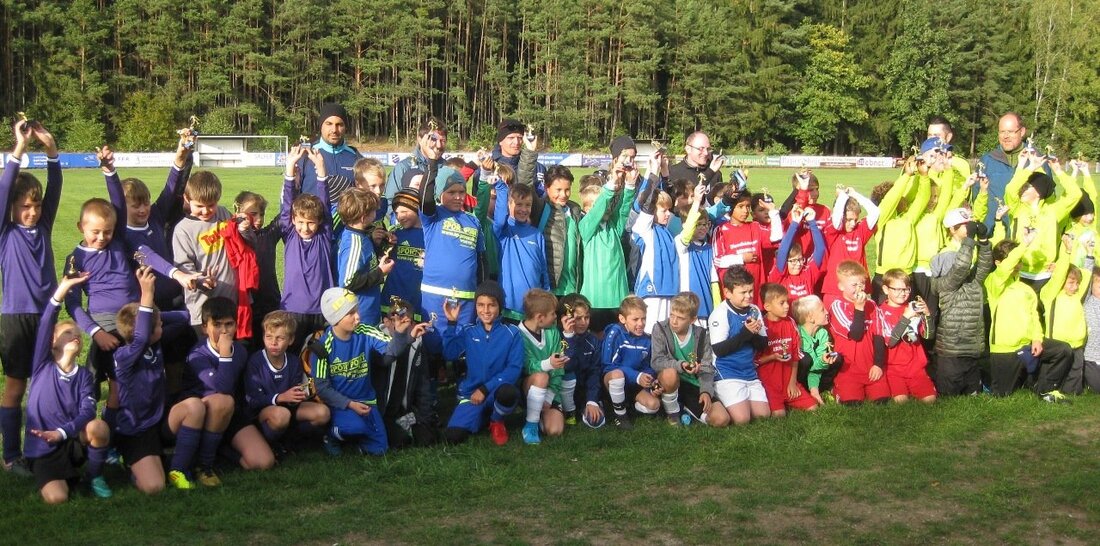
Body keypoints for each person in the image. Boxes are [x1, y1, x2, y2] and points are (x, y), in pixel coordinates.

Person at [0, 119, 60, 476]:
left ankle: (43, 446)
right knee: (16, 385)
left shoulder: (45, 224)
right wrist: (20, 148)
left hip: (47, 314)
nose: (32, 211)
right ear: (11, 208)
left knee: (45, 385)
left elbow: (55, 187)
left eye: (35, 205)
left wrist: (51, 150)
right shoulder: (5, 233)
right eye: (24, 206)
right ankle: (10, 454)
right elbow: (5, 186)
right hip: (16, 318)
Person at [24, 273, 111, 503]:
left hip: (69, 439)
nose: (75, 336)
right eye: (67, 332)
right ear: (52, 342)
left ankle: (93, 477)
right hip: (43, 448)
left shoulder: (83, 376)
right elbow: (46, 322)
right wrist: (62, 291)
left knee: (99, 428)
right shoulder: (42, 365)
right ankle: (61, 478)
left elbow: (88, 412)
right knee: (57, 498)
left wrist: (62, 432)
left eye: (78, 334)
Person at [312, 288, 419, 456]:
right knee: (355, 427)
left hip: (368, 402)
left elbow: (391, 352)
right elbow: (322, 388)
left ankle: (354, 441)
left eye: (357, 310)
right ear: (336, 318)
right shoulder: (322, 347)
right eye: (351, 313)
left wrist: (399, 333)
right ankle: (330, 435)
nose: (358, 317)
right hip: (341, 405)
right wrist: (350, 404)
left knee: (379, 450)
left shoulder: (365, 331)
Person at [184, 297, 274, 482]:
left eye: (229, 324)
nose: (224, 331)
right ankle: (204, 465)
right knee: (222, 401)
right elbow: (222, 388)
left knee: (264, 462)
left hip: (231, 414)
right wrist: (225, 354)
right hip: (202, 416)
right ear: (204, 328)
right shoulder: (197, 354)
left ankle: (222, 451)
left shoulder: (240, 351)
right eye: (217, 325)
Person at [985, 236, 1072, 401]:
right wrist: (1024, 244)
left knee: (1063, 350)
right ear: (997, 263)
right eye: (1013, 259)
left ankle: (1046, 390)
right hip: (1005, 350)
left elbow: (1034, 317)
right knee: (1002, 396)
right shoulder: (993, 282)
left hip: (1027, 346)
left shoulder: (1026, 289)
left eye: (1019, 260)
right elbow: (1006, 269)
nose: (1017, 264)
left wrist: (1037, 339)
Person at [441, 281, 523, 445]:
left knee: (508, 393)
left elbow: (514, 369)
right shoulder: (468, 331)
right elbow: (449, 354)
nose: (485, 310)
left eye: (491, 305)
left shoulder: (512, 333)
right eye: (481, 305)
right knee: (453, 437)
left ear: (500, 306)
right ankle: (483, 416)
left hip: (495, 391)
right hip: (471, 394)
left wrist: (485, 389)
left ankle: (496, 420)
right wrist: (451, 323)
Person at [243, 311, 330, 458]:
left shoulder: (294, 361)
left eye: (280, 338)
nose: (273, 342)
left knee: (323, 413)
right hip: (263, 411)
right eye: (268, 337)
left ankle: (291, 440)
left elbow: (295, 391)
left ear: (290, 340)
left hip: (288, 407)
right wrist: (279, 397)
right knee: (281, 415)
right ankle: (270, 443)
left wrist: (306, 391)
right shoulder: (255, 362)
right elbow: (253, 400)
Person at [929, 213, 993, 396]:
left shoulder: (972, 282)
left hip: (970, 347)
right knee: (949, 393)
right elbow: (961, 267)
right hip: (952, 349)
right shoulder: (943, 282)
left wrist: (984, 240)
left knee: (971, 392)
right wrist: (970, 240)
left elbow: (983, 266)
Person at [281, 146, 337, 353]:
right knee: (294, 356)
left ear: (320, 222)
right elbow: (287, 203)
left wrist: (320, 168)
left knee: (319, 358)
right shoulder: (290, 234)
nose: (305, 228)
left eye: (311, 223)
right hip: (292, 309)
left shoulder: (323, 236)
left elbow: (325, 203)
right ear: (293, 220)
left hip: (322, 310)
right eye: (301, 222)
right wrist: (289, 168)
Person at [1003, 153, 1080, 291]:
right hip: (1020, 271)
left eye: (1027, 187)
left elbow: (1075, 194)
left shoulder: (1053, 211)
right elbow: (1010, 189)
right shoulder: (1017, 208)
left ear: (1039, 191)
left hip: (1045, 274)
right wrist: (1030, 167)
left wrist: (1058, 170)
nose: (1022, 190)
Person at [651, 292, 728, 426]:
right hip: (669, 382)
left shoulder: (702, 334)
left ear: (692, 320)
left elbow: (706, 366)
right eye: (672, 315)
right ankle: (673, 415)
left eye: (680, 318)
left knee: (722, 419)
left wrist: (706, 391)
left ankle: (686, 409)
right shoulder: (660, 328)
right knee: (670, 374)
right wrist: (681, 365)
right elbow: (657, 361)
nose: (674, 321)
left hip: (694, 384)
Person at [578, 159, 637, 332]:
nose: (606, 207)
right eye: (600, 205)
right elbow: (599, 208)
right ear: (589, 209)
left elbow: (624, 209)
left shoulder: (613, 227)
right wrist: (611, 184)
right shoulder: (586, 227)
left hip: (618, 299)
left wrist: (630, 184)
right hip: (595, 300)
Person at [708, 266, 770, 425]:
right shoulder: (720, 313)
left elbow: (763, 345)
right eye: (743, 292)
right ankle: (716, 398)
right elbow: (719, 350)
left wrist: (752, 334)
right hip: (727, 372)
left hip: (749, 372)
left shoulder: (754, 310)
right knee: (742, 419)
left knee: (763, 415)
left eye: (750, 291)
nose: (749, 296)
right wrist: (745, 334)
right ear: (727, 292)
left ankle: (739, 400)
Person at [828, 260, 890, 404]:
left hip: (870, 366)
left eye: (862, 284)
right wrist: (859, 308)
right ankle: (836, 388)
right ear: (841, 286)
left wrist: (878, 364)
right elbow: (856, 335)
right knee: (852, 403)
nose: (859, 288)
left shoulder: (872, 305)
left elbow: (879, 336)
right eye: (854, 285)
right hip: (849, 369)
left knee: (882, 400)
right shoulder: (838, 306)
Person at [1039, 236, 1094, 395]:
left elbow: (1087, 275)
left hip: (1076, 346)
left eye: (1077, 283)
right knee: (1053, 378)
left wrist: (1089, 254)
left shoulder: (1077, 296)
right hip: (1058, 347)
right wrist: (1067, 251)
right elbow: (1059, 276)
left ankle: (1070, 393)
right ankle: (1046, 391)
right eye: (1070, 282)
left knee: (1073, 389)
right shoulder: (1050, 295)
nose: (1075, 287)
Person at [493, 171, 549, 322]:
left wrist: (547, 294)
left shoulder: (536, 234)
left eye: (528, 205)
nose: (523, 209)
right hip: (509, 308)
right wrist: (501, 188)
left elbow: (543, 268)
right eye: (518, 204)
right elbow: (498, 220)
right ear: (509, 205)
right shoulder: (504, 230)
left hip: (533, 309)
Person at [518, 289, 571, 444]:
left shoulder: (552, 332)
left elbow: (559, 366)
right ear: (540, 318)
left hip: (550, 390)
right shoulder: (518, 334)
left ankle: (539, 414)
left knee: (555, 430)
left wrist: (549, 396)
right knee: (542, 376)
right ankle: (531, 425)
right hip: (529, 387)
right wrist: (548, 364)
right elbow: (526, 366)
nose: (556, 317)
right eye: (553, 314)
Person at [755, 283, 817, 415]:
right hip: (770, 383)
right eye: (782, 303)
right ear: (767, 306)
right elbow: (754, 361)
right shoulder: (761, 326)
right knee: (779, 415)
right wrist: (772, 357)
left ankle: (789, 399)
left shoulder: (790, 322)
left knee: (813, 408)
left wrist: (793, 382)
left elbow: (795, 354)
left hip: (788, 380)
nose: (787, 306)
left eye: (787, 302)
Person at [878, 270, 936, 404]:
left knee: (930, 400)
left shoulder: (912, 308)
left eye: (906, 289)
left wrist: (927, 315)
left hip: (915, 367)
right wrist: (905, 317)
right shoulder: (881, 312)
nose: (902, 293)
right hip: (893, 368)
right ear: (886, 290)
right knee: (901, 401)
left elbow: (928, 335)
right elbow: (890, 342)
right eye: (897, 289)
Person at [335, 187, 391, 327]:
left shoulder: (362, 235)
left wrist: (377, 245)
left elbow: (365, 263)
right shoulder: (354, 243)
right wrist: (380, 272)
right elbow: (348, 282)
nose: (376, 213)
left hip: (369, 312)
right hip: (360, 316)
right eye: (373, 211)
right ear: (363, 217)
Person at [601, 296, 656, 430]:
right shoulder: (615, 332)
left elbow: (646, 366)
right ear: (622, 319)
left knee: (654, 405)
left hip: (634, 384)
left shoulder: (647, 339)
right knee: (617, 375)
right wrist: (637, 376)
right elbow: (608, 365)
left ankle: (628, 406)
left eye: (643, 318)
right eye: (635, 319)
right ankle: (620, 415)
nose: (641, 323)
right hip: (613, 380)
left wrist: (650, 380)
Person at [557, 294, 605, 428]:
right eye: (578, 318)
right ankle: (565, 410)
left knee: (596, 421)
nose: (584, 322)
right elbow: (567, 366)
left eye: (587, 317)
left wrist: (592, 401)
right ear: (565, 318)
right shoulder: (556, 337)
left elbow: (594, 372)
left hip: (584, 391)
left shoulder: (592, 341)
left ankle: (589, 405)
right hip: (560, 391)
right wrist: (569, 337)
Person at [979, 112, 1029, 231]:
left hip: (1026, 232)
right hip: (994, 232)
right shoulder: (986, 161)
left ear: (1022, 132)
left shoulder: (1036, 160)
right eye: (1002, 132)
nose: (1006, 136)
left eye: (1011, 132)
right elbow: (978, 198)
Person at [299, 103, 359, 199]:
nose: (334, 130)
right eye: (329, 124)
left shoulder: (355, 157)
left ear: (345, 127)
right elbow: (288, 195)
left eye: (339, 124)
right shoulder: (305, 155)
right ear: (321, 126)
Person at [791, 295, 839, 405]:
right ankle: (802, 391)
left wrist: (823, 360)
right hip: (799, 377)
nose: (827, 312)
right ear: (810, 318)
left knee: (837, 359)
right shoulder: (798, 336)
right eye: (822, 310)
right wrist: (821, 361)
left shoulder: (822, 333)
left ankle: (820, 389)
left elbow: (816, 367)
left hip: (815, 374)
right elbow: (811, 366)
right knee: (806, 359)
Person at [385, 117, 446, 200]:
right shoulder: (403, 167)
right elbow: (391, 201)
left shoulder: (447, 168)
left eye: (443, 140)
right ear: (420, 140)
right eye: (433, 139)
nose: (439, 145)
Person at [493, 118, 547, 192]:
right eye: (511, 138)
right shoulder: (488, 168)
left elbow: (541, 200)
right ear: (500, 141)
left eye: (520, 138)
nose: (516, 142)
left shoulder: (538, 168)